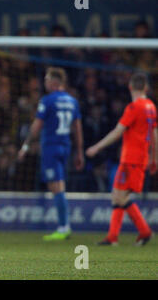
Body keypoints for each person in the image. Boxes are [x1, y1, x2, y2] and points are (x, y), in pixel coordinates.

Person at [86, 72, 156, 246]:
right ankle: (114, 237)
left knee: (120, 197)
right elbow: (155, 134)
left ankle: (144, 231)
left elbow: (118, 131)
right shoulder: (151, 107)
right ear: (145, 87)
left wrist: (96, 147)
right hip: (140, 158)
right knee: (117, 195)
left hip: (131, 158)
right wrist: (154, 158)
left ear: (130, 87)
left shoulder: (134, 108)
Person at [18, 67, 84, 241]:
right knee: (58, 185)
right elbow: (77, 128)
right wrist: (79, 152)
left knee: (57, 187)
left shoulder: (47, 100)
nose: (45, 83)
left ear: (55, 82)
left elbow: (36, 126)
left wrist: (25, 146)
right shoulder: (72, 101)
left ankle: (64, 227)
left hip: (51, 147)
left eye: (47, 79)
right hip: (66, 146)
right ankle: (64, 226)